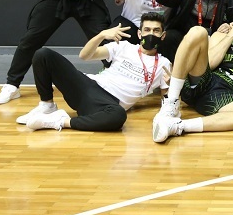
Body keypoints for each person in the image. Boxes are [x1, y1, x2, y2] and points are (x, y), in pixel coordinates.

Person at [16, 14, 170, 132]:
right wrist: (101, 35)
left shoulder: (164, 64)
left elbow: (168, 101)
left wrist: (171, 84)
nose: (151, 34)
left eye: (156, 30)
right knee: (43, 54)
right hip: (88, 85)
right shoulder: (123, 47)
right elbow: (85, 56)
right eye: (147, 30)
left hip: (106, 104)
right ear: (139, 34)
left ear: (162, 36)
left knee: (118, 116)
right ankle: (47, 105)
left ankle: (59, 121)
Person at [151, 1, 233, 143]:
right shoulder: (222, 35)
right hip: (205, 80)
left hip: (227, 94)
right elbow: (211, 63)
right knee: (198, 31)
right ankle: (171, 103)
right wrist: (232, 36)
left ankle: (177, 126)